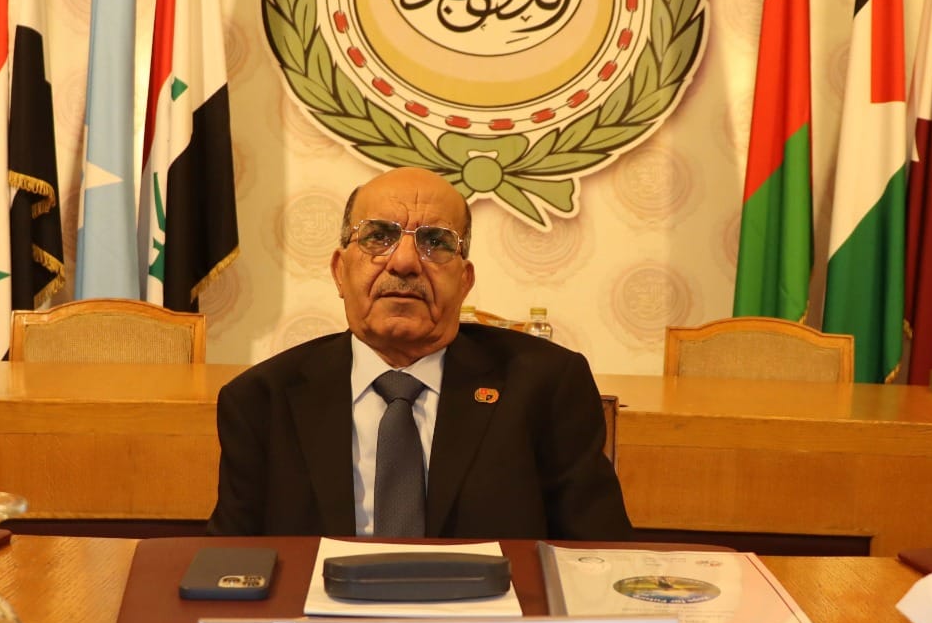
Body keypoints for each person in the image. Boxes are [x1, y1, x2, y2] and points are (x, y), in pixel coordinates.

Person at [208, 166, 632, 540]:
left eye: (435, 242)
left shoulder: (546, 386)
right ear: (340, 271)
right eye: (379, 237)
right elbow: (230, 566)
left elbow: (598, 557)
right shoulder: (260, 400)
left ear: (464, 281)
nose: (405, 262)